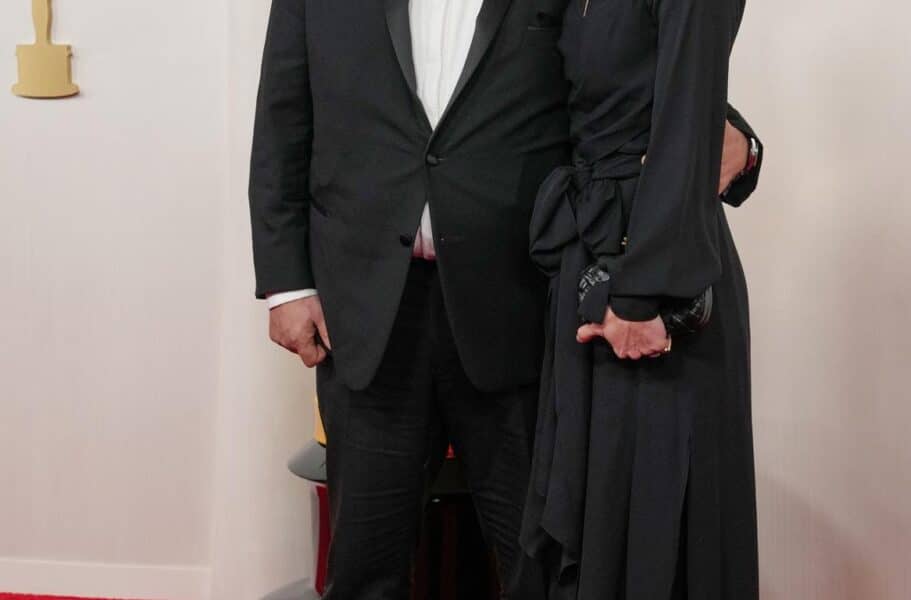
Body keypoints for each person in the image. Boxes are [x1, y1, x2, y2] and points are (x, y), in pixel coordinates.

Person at [248, 1, 762, 598]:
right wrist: (287, 283)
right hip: (365, 316)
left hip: (520, 309)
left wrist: (736, 141)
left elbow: (621, 78)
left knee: (538, 569)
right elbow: (283, 114)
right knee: (364, 568)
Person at [520, 0, 759, 598]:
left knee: (657, 525)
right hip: (591, 254)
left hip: (654, 282)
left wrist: (641, 296)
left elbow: (685, 108)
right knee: (596, 519)